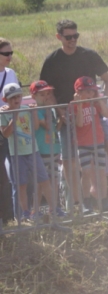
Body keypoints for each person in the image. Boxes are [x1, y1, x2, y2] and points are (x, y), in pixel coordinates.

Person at [39, 20, 108, 213]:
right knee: (70, 161)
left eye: (75, 36)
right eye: (68, 37)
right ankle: (77, 203)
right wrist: (59, 111)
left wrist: (101, 100)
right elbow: (47, 92)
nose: (72, 40)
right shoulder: (52, 60)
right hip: (67, 116)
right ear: (59, 37)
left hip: (95, 114)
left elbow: (107, 80)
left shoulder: (89, 55)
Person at [0, 82, 47, 223]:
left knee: (39, 180)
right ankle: (21, 214)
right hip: (12, 151)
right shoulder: (3, 113)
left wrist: (33, 112)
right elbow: (5, 134)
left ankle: (34, 211)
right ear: (6, 100)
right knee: (19, 183)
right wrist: (13, 117)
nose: (16, 99)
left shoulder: (26, 109)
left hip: (29, 150)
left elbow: (35, 126)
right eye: (12, 97)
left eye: (19, 96)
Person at [71, 77, 108, 214]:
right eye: (86, 92)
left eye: (92, 91)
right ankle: (86, 201)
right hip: (83, 144)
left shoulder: (95, 103)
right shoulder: (74, 105)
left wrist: (99, 99)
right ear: (78, 92)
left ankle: (104, 200)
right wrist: (80, 104)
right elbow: (80, 124)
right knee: (86, 172)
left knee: (101, 171)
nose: (90, 95)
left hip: (98, 141)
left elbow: (107, 114)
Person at [30, 81, 64, 220]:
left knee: (54, 179)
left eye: (48, 93)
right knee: (40, 183)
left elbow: (57, 127)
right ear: (34, 96)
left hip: (54, 148)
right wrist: (53, 108)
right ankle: (35, 211)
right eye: (42, 94)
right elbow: (48, 125)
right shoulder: (36, 111)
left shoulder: (50, 110)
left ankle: (53, 208)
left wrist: (60, 116)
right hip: (42, 150)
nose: (46, 97)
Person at [0, 39, 18, 224]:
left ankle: (16, 215)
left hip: (13, 126)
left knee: (18, 172)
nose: (10, 56)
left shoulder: (11, 73)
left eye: (11, 53)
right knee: (2, 178)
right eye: (6, 54)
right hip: (1, 128)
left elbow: (17, 97)